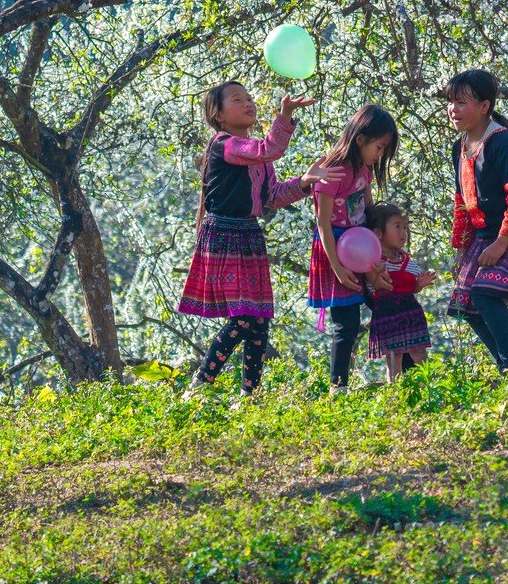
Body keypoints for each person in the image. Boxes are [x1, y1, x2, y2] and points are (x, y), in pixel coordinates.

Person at [177, 81, 342, 393]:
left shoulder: (255, 157)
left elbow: (273, 197)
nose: (248, 103)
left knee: (260, 318)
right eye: (237, 100)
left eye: (249, 97)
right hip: (225, 235)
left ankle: (248, 395)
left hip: (249, 235)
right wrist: (286, 116)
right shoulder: (224, 144)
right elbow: (270, 149)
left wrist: (305, 180)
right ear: (219, 115)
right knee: (243, 316)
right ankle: (199, 384)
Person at [444, 68, 508, 375]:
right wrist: (461, 246)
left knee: (483, 294)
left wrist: (502, 242)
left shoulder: (503, 143)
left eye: (461, 102)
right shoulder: (460, 146)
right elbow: (462, 201)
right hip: (482, 236)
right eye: (451, 102)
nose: (453, 109)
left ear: (484, 106)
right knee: (466, 305)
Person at [308, 104, 400, 389]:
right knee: (346, 323)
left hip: (362, 249)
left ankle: (403, 374)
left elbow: (368, 210)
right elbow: (323, 222)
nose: (380, 154)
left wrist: (381, 249)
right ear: (360, 138)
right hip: (336, 249)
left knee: (391, 305)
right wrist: (336, 267)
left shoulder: (364, 170)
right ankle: (339, 386)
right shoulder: (332, 170)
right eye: (379, 147)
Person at [362, 203, 434, 380]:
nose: (403, 233)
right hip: (388, 314)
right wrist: (378, 276)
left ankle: (431, 385)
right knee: (394, 356)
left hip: (410, 312)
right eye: (397, 227)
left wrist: (419, 285)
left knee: (419, 352)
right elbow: (374, 287)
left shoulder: (407, 261)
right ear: (378, 233)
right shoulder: (374, 262)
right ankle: (395, 392)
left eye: (405, 228)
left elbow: (411, 288)